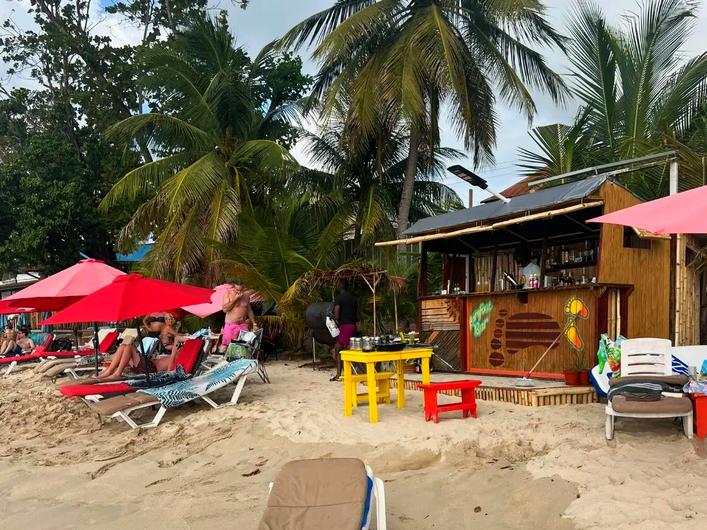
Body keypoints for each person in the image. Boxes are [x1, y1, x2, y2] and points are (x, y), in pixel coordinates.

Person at [331, 280, 358, 381]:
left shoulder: (339, 298)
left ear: (340, 286)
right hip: (353, 326)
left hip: (345, 327)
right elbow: (357, 315)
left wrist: (332, 316)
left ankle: (339, 374)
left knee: (337, 349)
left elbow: (337, 316)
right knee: (350, 349)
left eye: (338, 284)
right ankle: (350, 372)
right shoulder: (353, 298)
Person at [221, 280, 255, 352]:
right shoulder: (228, 293)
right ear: (233, 288)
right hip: (231, 325)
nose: (239, 292)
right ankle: (224, 361)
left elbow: (249, 310)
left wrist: (254, 323)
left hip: (242, 325)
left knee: (245, 346)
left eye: (241, 290)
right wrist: (235, 299)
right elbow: (225, 309)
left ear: (244, 288)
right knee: (226, 346)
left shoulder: (246, 295)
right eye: (237, 290)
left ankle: (243, 362)